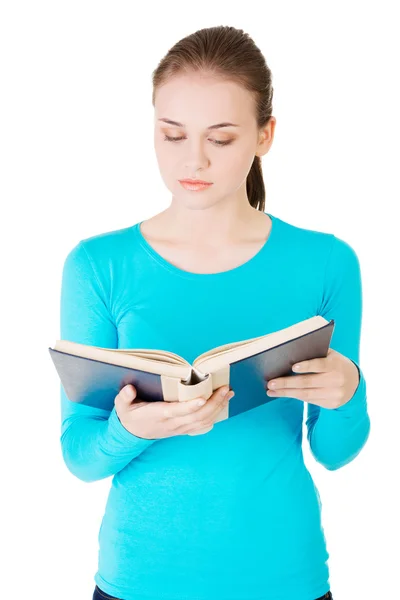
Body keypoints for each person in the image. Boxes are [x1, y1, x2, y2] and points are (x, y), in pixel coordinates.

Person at [59, 26, 370, 600]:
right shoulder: (98, 265)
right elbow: (79, 454)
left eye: (221, 139)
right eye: (172, 134)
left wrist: (349, 390)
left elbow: (336, 452)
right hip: (139, 581)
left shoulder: (326, 262)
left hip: (286, 579)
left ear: (264, 136)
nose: (192, 159)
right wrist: (127, 430)